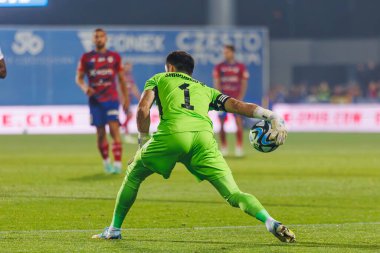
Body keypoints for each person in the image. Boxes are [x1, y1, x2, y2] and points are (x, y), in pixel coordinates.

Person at [92, 51, 295, 243]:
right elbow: (237, 105)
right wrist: (272, 115)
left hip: (173, 135)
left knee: (134, 174)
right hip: (203, 140)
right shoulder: (205, 89)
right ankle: (270, 222)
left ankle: (114, 230)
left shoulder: (159, 78)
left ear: (170, 68)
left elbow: (143, 109)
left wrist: (143, 144)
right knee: (233, 194)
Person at [76, 28, 129, 174]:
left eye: (101, 36)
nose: (98, 39)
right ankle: (106, 163)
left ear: (105, 39)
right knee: (100, 133)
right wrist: (84, 87)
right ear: (93, 40)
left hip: (111, 98)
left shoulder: (115, 57)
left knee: (114, 129)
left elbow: (122, 80)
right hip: (95, 100)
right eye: (96, 37)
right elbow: (79, 78)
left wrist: (126, 99)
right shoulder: (86, 58)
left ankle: (117, 165)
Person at [213, 45, 249, 157]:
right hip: (223, 99)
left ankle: (239, 148)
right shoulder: (219, 67)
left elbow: (244, 83)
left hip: (236, 99)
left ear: (233, 53)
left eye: (227, 52)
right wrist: (219, 97)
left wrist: (241, 97)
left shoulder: (240, 67)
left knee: (238, 122)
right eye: (224, 52)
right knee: (222, 124)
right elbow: (217, 82)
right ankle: (224, 147)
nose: (225, 54)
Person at [121, 62, 141, 143]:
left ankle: (126, 133)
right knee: (129, 115)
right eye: (127, 67)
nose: (129, 69)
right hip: (124, 99)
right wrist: (122, 99)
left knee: (129, 115)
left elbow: (133, 87)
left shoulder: (129, 76)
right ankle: (123, 129)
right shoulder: (121, 76)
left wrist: (139, 97)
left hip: (129, 99)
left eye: (130, 67)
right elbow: (118, 88)